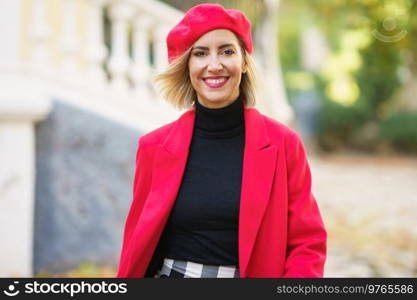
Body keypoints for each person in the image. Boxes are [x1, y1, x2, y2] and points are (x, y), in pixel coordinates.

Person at [116, 3, 327, 278]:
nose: (214, 65)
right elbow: (137, 243)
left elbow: (307, 243)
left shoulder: (283, 144)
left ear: (244, 64)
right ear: (187, 67)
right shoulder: (153, 147)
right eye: (200, 53)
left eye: (227, 51)